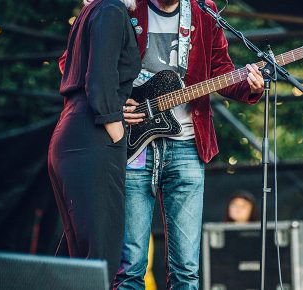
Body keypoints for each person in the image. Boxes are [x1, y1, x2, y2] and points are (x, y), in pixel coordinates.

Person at [113, 0, 265, 289]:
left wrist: (250, 87)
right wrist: (113, 105)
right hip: (134, 144)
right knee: (131, 267)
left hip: (186, 145)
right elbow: (79, 62)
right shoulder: (125, 7)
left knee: (186, 269)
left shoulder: (203, 11)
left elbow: (222, 71)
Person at [48, 0, 141, 286]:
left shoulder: (95, 10)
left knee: (86, 258)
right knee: (101, 258)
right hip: (92, 134)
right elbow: (99, 78)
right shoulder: (111, 10)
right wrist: (114, 127)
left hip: (74, 133)